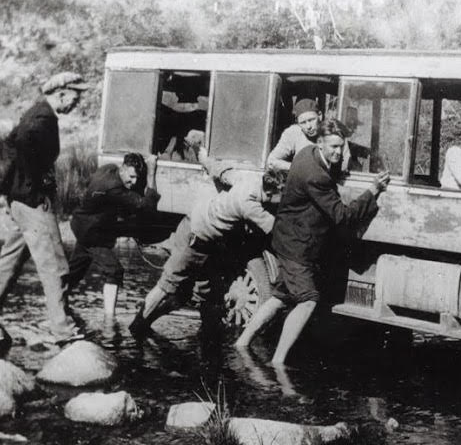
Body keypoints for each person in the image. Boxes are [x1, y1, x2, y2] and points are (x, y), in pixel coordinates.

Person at [234, 118, 390, 365]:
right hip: (298, 246)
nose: (338, 152)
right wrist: (372, 191)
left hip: (287, 239)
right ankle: (278, 362)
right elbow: (343, 216)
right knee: (308, 301)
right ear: (320, 143)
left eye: (341, 146)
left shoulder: (306, 154)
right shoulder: (316, 176)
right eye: (333, 147)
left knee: (280, 297)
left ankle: (242, 343)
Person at [0, 71, 90, 345]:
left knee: (10, 258)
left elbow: (17, 146)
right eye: (75, 95)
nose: (77, 101)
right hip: (32, 203)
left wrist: (23, 188)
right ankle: (63, 330)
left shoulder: (36, 113)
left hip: (19, 202)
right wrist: (34, 190)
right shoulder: (42, 119)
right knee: (55, 265)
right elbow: (23, 145)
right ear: (61, 93)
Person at [128, 158, 280, 336]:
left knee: (193, 294)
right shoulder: (250, 205)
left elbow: (221, 170)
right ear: (271, 193)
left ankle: (148, 324)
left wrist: (204, 159)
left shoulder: (246, 181)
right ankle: (136, 326)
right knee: (167, 285)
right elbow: (276, 229)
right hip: (195, 237)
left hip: (200, 231)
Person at [64, 152, 160, 333]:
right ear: (123, 169)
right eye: (131, 177)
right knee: (114, 271)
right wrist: (152, 173)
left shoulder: (109, 169)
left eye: (136, 178)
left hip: (85, 224)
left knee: (76, 271)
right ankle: (110, 321)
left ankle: (57, 304)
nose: (133, 182)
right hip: (91, 232)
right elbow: (148, 206)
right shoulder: (113, 188)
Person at [267, 98, 350, 174]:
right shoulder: (293, 132)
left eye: (311, 120)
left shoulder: (333, 131)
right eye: (303, 122)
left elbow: (344, 166)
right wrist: (300, 168)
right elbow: (271, 161)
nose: (308, 126)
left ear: (320, 116)